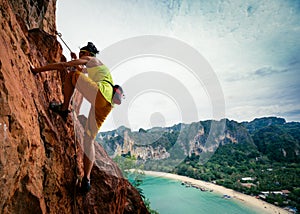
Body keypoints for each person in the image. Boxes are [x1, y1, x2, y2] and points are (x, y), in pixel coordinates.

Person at [32, 42, 114, 194]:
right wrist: (76, 61)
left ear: (85, 54)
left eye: (81, 54)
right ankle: (87, 179)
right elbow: (82, 70)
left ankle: (64, 109)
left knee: (72, 75)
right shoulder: (99, 66)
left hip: (99, 94)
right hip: (106, 103)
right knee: (89, 138)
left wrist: (37, 70)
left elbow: (65, 66)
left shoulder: (91, 60)